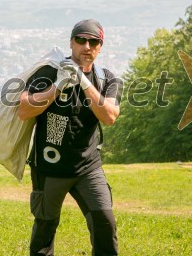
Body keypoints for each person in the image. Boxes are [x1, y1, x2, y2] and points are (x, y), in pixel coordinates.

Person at [18, 19, 122, 256]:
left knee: (105, 222)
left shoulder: (107, 79)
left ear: (100, 46)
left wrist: (84, 82)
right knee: (45, 229)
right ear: (71, 42)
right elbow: (24, 110)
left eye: (94, 41)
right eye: (81, 40)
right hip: (49, 168)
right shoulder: (47, 71)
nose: (87, 46)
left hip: (88, 167)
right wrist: (58, 85)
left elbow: (109, 116)